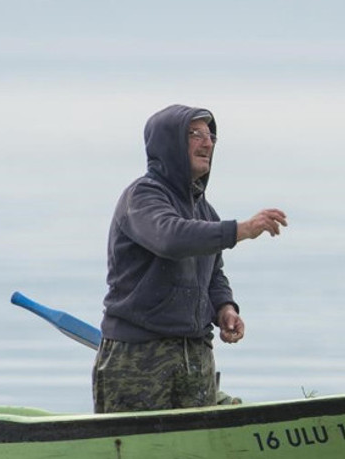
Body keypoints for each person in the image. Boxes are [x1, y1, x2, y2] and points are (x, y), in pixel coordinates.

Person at [93, 104, 287, 413]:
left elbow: (213, 275)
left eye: (210, 135)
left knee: (197, 454)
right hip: (140, 355)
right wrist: (242, 230)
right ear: (168, 143)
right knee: (141, 455)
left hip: (196, 354)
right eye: (194, 134)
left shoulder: (206, 211)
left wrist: (224, 307)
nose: (207, 142)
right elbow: (170, 238)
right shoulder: (142, 197)